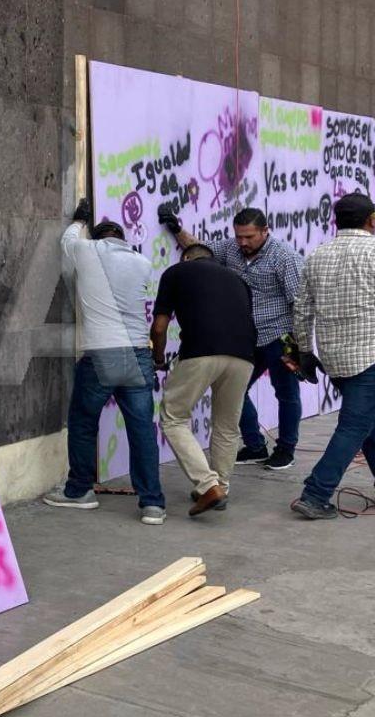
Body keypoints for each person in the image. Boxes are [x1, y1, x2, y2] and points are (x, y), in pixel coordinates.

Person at [45, 200, 165, 524]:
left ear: (97, 239)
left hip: (102, 354)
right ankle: (153, 503)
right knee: (142, 429)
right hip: (139, 353)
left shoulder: (88, 251)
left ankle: (79, 490)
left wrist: (79, 220)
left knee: (84, 422)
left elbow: (67, 241)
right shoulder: (142, 262)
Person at [158, 205, 305, 469]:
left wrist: (302, 348)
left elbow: (301, 303)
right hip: (247, 335)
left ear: (265, 231)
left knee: (287, 392)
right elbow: (199, 251)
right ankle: (255, 445)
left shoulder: (285, 258)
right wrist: (178, 229)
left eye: (249, 237)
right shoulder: (231, 249)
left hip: (284, 336)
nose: (243, 242)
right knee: (235, 391)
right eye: (239, 236)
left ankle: (286, 449)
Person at [151, 244, 257, 516]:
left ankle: (208, 486)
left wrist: (159, 358)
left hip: (200, 351)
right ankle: (220, 485)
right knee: (227, 425)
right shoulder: (238, 279)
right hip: (244, 355)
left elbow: (160, 326)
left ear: (186, 257)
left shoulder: (176, 272)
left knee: (173, 417)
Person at [287, 193, 375, 519]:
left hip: (335, 358)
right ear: (372, 220)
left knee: (367, 425)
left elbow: (302, 309)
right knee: (355, 426)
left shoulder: (317, 255)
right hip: (369, 355)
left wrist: (305, 353)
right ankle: (315, 494)